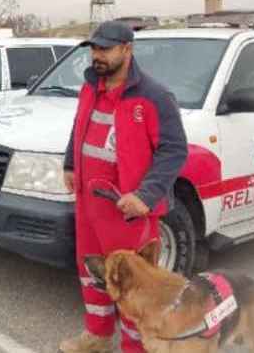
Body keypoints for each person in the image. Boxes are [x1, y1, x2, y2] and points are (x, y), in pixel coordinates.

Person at [59, 21, 188, 353]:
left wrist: (145, 196)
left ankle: (137, 346)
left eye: (105, 49)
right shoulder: (91, 87)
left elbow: (174, 150)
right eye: (93, 49)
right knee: (91, 273)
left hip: (127, 210)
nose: (96, 56)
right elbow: (80, 125)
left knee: (134, 283)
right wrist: (70, 164)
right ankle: (98, 334)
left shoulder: (154, 97)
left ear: (127, 50)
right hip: (89, 203)